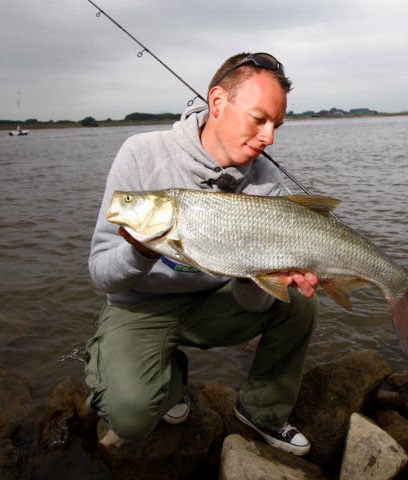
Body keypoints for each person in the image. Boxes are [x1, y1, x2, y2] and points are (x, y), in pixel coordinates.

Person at [85, 52, 320, 456]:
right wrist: (140, 252)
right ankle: (167, 378)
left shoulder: (266, 183)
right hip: (141, 307)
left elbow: (252, 301)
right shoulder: (142, 153)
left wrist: (261, 273)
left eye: (276, 125)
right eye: (259, 119)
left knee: (298, 302)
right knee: (129, 415)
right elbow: (101, 275)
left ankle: (261, 410)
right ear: (217, 103)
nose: (270, 138)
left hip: (213, 301)